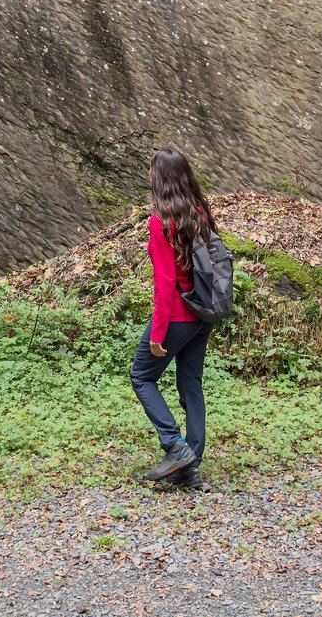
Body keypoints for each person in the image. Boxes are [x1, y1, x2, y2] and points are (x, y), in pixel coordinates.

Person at [130, 147, 214, 490]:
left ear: (160, 178)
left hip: (177, 316)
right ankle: (190, 465)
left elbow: (165, 283)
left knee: (141, 377)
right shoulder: (199, 213)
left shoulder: (160, 221)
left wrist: (158, 332)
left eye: (152, 170)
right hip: (202, 314)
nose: (148, 175)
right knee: (190, 383)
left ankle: (175, 446)